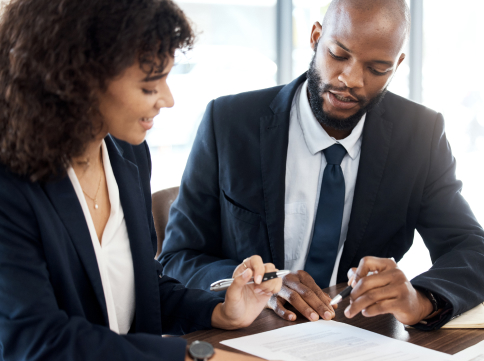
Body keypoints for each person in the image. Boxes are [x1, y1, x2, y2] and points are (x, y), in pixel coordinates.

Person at [159, 0, 484, 330]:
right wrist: (252, 285)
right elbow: (178, 257)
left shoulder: (419, 136)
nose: (351, 79)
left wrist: (419, 299)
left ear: (397, 64)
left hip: (357, 337)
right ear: (315, 37)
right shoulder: (230, 123)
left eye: (377, 68)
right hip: (249, 334)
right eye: (338, 54)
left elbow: (473, 250)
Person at [0, 0, 281, 360]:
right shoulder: (10, 185)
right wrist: (190, 357)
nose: (168, 98)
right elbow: (38, 339)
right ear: (78, 80)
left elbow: (140, 287)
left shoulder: (126, 152)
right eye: (150, 85)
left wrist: (219, 312)